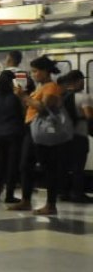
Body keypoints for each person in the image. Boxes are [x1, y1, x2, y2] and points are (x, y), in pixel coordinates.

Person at [9, 56, 63, 215]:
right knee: (25, 166)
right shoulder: (39, 88)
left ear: (45, 71)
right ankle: (26, 200)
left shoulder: (51, 87)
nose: (33, 74)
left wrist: (23, 96)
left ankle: (51, 204)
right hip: (31, 129)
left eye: (35, 71)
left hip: (43, 131)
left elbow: (43, 108)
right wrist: (23, 97)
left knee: (48, 167)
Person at [0, 70, 25, 203]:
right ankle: (9, 195)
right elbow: (20, 114)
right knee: (12, 165)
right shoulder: (14, 98)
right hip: (14, 133)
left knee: (0, 164)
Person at [57, 71, 92, 203]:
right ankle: (77, 194)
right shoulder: (84, 97)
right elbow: (89, 116)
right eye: (82, 79)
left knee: (64, 166)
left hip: (63, 137)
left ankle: (63, 193)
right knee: (78, 167)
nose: (83, 82)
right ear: (76, 81)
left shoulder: (62, 96)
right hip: (79, 136)